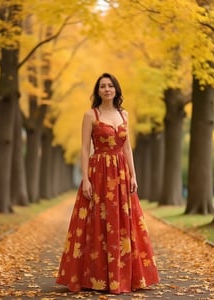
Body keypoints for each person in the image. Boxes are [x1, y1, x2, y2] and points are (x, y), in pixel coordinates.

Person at [56, 72, 160, 294]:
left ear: (116, 90)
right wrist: (86, 178)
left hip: (121, 174)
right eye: (102, 86)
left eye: (110, 86)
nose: (106, 89)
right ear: (98, 91)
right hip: (99, 172)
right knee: (97, 221)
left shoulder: (124, 115)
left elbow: (126, 147)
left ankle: (124, 277)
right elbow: (85, 149)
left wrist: (134, 175)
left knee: (123, 222)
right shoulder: (90, 115)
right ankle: (96, 277)